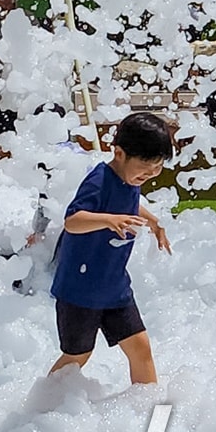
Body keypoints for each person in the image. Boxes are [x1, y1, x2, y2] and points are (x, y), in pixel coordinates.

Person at [47, 112, 173, 386]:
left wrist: (153, 222)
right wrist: (109, 219)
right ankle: (41, 406)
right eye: (145, 166)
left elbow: (127, 203)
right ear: (119, 153)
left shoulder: (130, 180)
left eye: (157, 168)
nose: (150, 174)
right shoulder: (100, 180)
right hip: (79, 289)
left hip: (114, 287)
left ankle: (147, 409)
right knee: (77, 355)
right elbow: (73, 221)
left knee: (140, 348)